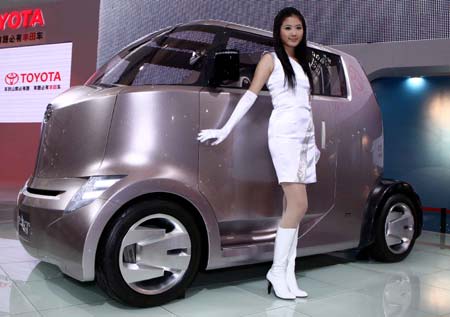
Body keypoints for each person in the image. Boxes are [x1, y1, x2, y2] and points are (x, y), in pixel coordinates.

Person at [197, 7, 320, 300]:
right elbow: (251, 95)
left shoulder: (302, 63)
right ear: (278, 30)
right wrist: (224, 129)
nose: (293, 33)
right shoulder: (271, 60)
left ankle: (287, 274)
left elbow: (307, 106)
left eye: (298, 28)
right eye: (288, 27)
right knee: (298, 204)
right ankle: (277, 271)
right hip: (284, 135)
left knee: (293, 207)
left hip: (303, 139)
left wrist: (313, 143)